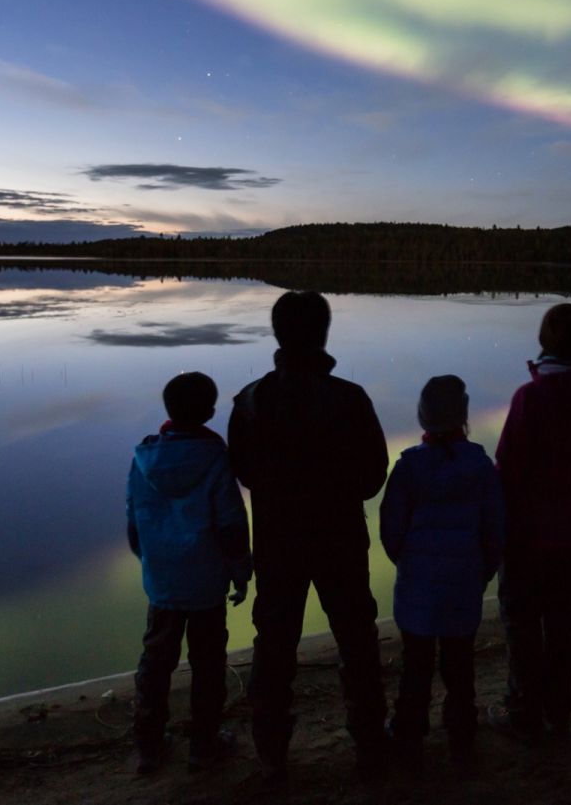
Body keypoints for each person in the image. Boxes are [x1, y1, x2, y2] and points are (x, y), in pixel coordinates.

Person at [228, 291, 390, 783]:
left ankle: (271, 750)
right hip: (340, 539)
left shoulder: (249, 401)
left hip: (278, 544)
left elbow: (246, 473)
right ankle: (369, 741)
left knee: (274, 644)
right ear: (324, 332)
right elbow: (372, 476)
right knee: (357, 638)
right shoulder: (350, 398)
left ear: (278, 334)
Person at [488, 303, 571, 742]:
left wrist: (500, 525)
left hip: (527, 534)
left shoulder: (533, 397)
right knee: (561, 618)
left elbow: (506, 469)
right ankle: (558, 710)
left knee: (522, 620)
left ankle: (523, 710)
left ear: (545, 338)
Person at [125, 371, 252, 775]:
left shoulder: (144, 458)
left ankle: (148, 744)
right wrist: (241, 570)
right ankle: (204, 741)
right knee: (208, 663)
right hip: (206, 584)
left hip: (162, 582)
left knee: (156, 661)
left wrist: (149, 560)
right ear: (211, 412)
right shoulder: (216, 458)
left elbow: (134, 520)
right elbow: (231, 522)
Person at [380, 375, 503, 776]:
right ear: (463, 417)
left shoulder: (409, 468)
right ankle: (461, 735)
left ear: (422, 416)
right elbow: (493, 530)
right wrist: (482, 571)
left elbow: (391, 531)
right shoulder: (481, 467)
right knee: (459, 664)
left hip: (418, 585)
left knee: (416, 664)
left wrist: (409, 564)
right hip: (464, 583)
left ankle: (409, 734)